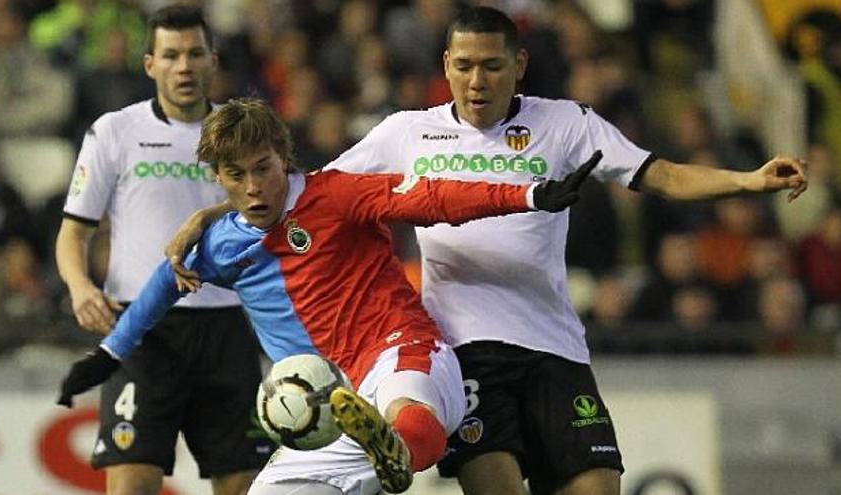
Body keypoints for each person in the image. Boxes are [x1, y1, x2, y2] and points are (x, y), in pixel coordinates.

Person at [317, 6, 807, 495]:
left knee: (597, 489)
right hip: (463, 352)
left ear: (520, 65)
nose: (476, 81)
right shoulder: (406, 133)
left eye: (491, 65)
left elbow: (665, 175)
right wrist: (241, 207)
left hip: (553, 347)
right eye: (463, 66)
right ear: (446, 64)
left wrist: (748, 179)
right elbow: (314, 198)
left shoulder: (565, 124)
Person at [56, 96, 601, 495]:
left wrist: (527, 194)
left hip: (401, 348)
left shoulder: (337, 194)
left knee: (410, 411)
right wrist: (108, 354)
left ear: (283, 158)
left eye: (264, 169)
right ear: (218, 177)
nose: (253, 187)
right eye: (236, 175)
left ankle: (395, 449)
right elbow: (159, 289)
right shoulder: (219, 244)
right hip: (324, 404)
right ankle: (382, 446)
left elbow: (432, 197)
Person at [53, 6, 272, 495]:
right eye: (171, 55)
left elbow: (277, 216)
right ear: (149, 63)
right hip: (142, 328)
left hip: (229, 323)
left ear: (213, 60)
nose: (184, 66)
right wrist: (79, 286)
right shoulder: (115, 131)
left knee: (244, 483)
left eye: (195, 53)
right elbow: (73, 232)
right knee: (131, 483)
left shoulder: (243, 134)